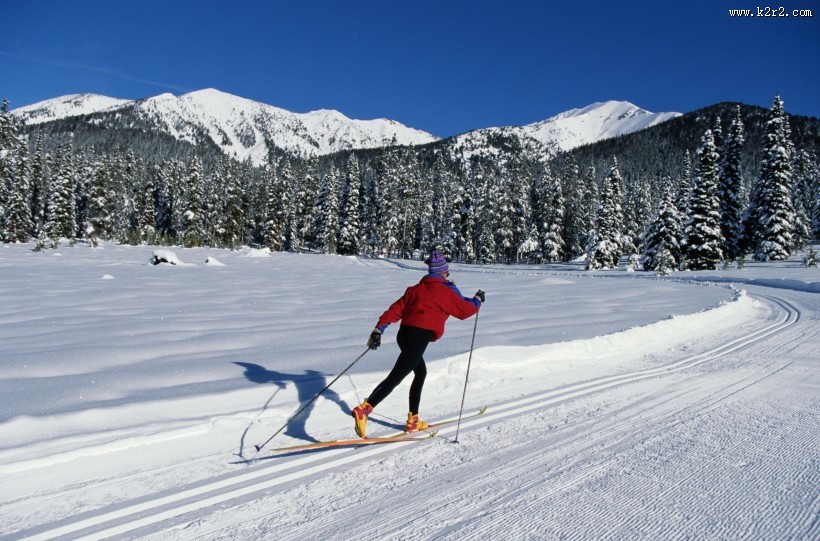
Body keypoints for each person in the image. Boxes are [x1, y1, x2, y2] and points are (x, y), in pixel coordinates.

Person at [352, 251, 485, 438]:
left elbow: (395, 309)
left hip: (404, 335)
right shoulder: (445, 290)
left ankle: (413, 420)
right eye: (447, 272)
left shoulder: (415, 289)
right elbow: (465, 310)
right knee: (395, 377)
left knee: (420, 373)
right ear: (443, 272)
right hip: (418, 338)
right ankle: (364, 409)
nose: (448, 275)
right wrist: (478, 300)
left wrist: (378, 330)